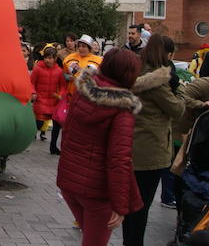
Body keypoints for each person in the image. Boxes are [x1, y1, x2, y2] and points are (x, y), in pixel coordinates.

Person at [55, 48, 144, 246]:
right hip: (98, 193)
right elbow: (119, 159)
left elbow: (67, 134)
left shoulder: (81, 92)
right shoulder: (122, 109)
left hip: (71, 183)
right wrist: (120, 206)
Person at [122, 34, 185, 246]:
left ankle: (128, 241)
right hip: (151, 151)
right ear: (166, 54)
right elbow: (176, 110)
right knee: (142, 205)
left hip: (132, 145)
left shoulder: (135, 73)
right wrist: (182, 90)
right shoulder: (157, 82)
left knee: (131, 203)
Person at [30, 45, 66, 154]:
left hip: (54, 101)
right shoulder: (37, 69)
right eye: (46, 57)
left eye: (50, 58)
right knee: (39, 123)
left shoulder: (59, 71)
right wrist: (33, 93)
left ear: (55, 59)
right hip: (41, 99)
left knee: (56, 125)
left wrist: (60, 95)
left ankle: (53, 146)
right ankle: (29, 136)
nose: (48, 60)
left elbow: (63, 86)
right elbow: (31, 83)